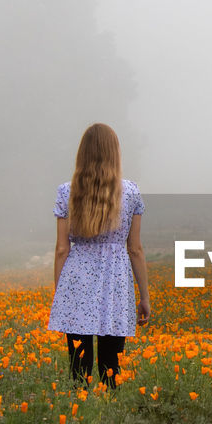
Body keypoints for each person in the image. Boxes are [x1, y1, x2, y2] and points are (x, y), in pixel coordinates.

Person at [47, 123, 150, 387]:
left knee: (79, 366)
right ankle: (109, 414)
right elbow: (135, 249)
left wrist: (62, 293)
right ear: (115, 152)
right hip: (115, 282)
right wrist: (145, 296)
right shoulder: (131, 192)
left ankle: (79, 414)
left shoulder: (66, 192)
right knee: (111, 365)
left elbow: (61, 249)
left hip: (77, 280)